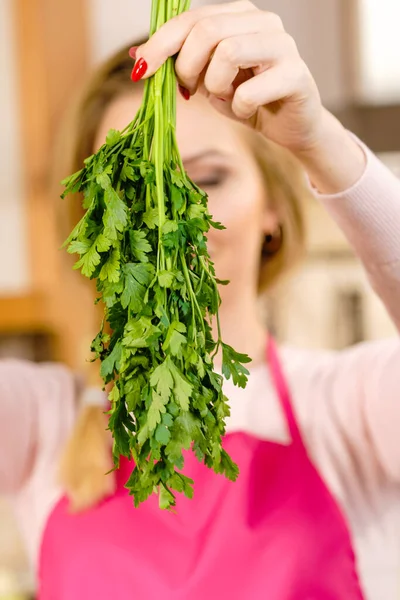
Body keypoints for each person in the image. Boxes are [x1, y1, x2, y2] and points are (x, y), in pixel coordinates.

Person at [1, 2, 400, 598]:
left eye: (209, 178)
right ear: (92, 227)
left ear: (272, 209)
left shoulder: (350, 409)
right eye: (130, 189)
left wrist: (321, 142)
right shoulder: (42, 424)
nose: (168, 217)